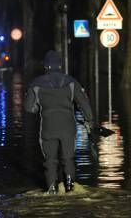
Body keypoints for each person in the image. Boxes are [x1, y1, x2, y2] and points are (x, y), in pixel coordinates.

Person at [24, 50, 94, 194]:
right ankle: (69, 187)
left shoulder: (36, 84)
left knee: (50, 161)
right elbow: (84, 103)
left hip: (48, 128)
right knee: (68, 158)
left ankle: (52, 190)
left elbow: (29, 108)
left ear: (46, 66)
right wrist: (90, 121)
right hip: (68, 127)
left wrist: (37, 106)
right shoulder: (71, 82)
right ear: (61, 65)